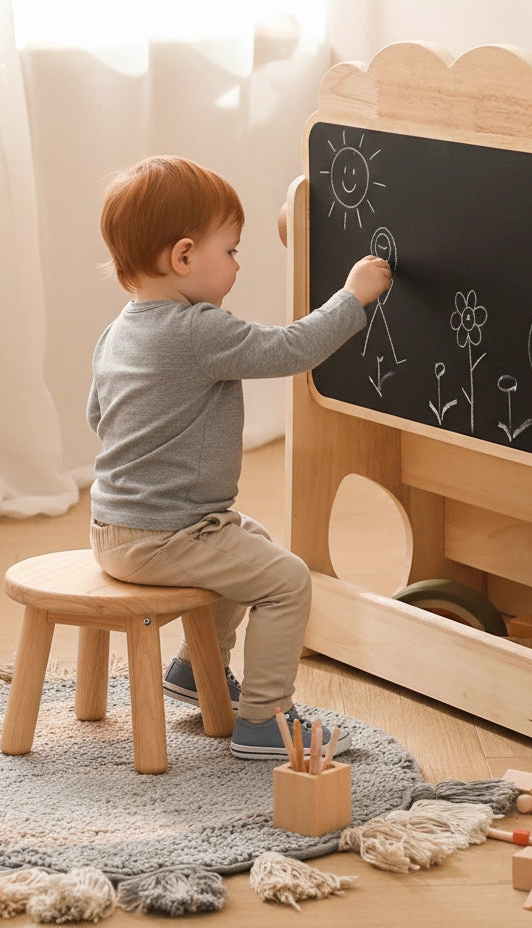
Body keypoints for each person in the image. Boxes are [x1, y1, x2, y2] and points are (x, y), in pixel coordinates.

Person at [87, 155, 391, 760]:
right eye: (229, 251)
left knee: (244, 539)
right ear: (183, 257)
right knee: (286, 579)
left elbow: (99, 416)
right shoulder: (199, 330)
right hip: (166, 536)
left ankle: (193, 670)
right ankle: (264, 718)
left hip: (114, 530)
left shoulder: (119, 329)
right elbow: (292, 348)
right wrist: (353, 298)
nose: (236, 264)